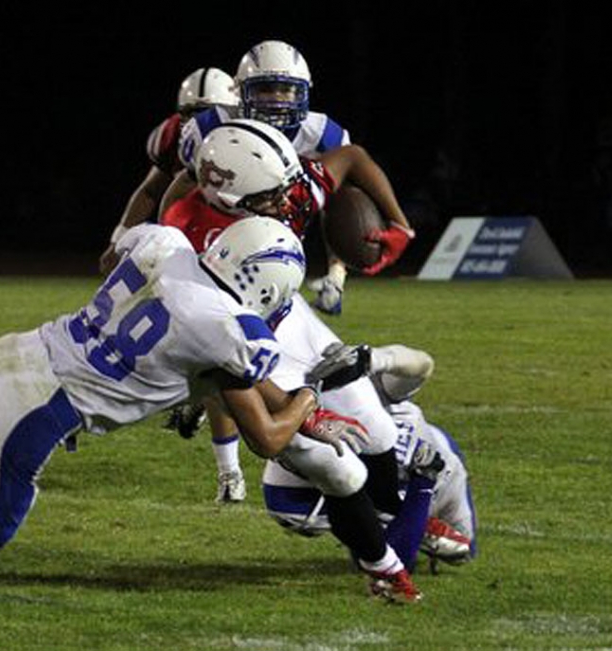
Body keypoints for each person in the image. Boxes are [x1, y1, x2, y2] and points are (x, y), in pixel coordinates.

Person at [0, 217, 378, 604]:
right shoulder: (230, 330)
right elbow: (270, 437)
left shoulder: (166, 244)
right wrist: (309, 390)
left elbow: (111, 257)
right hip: (33, 410)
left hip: (7, 354)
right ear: (265, 284)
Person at [160, 119, 431, 603]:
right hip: (244, 338)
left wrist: (398, 225)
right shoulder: (185, 234)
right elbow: (216, 345)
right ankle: (383, 567)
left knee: (379, 435)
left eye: (282, 192)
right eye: (268, 199)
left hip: (295, 318)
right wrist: (302, 406)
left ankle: (395, 516)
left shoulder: (277, 185)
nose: (284, 205)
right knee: (337, 466)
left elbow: (350, 158)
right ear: (224, 195)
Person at [173, 39, 415, 316]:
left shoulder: (319, 143)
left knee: (340, 195)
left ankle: (324, 285)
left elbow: (345, 178)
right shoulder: (209, 126)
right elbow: (184, 183)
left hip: (286, 218)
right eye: (265, 89)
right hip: (222, 226)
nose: (277, 99)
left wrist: (338, 272)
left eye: (286, 89)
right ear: (240, 92)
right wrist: (167, 236)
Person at [263, 356, 477, 573]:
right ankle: (403, 522)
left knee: (463, 549)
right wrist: (423, 482)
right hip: (311, 493)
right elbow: (395, 562)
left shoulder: (370, 389)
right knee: (377, 547)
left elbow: (421, 365)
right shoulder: (302, 481)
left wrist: (378, 358)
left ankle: (406, 521)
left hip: (441, 469)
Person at [98, 67, 239, 274]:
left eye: (209, 114)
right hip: (190, 226)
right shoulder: (171, 137)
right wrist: (118, 241)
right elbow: (151, 192)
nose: (198, 122)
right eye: (190, 114)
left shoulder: (245, 140)